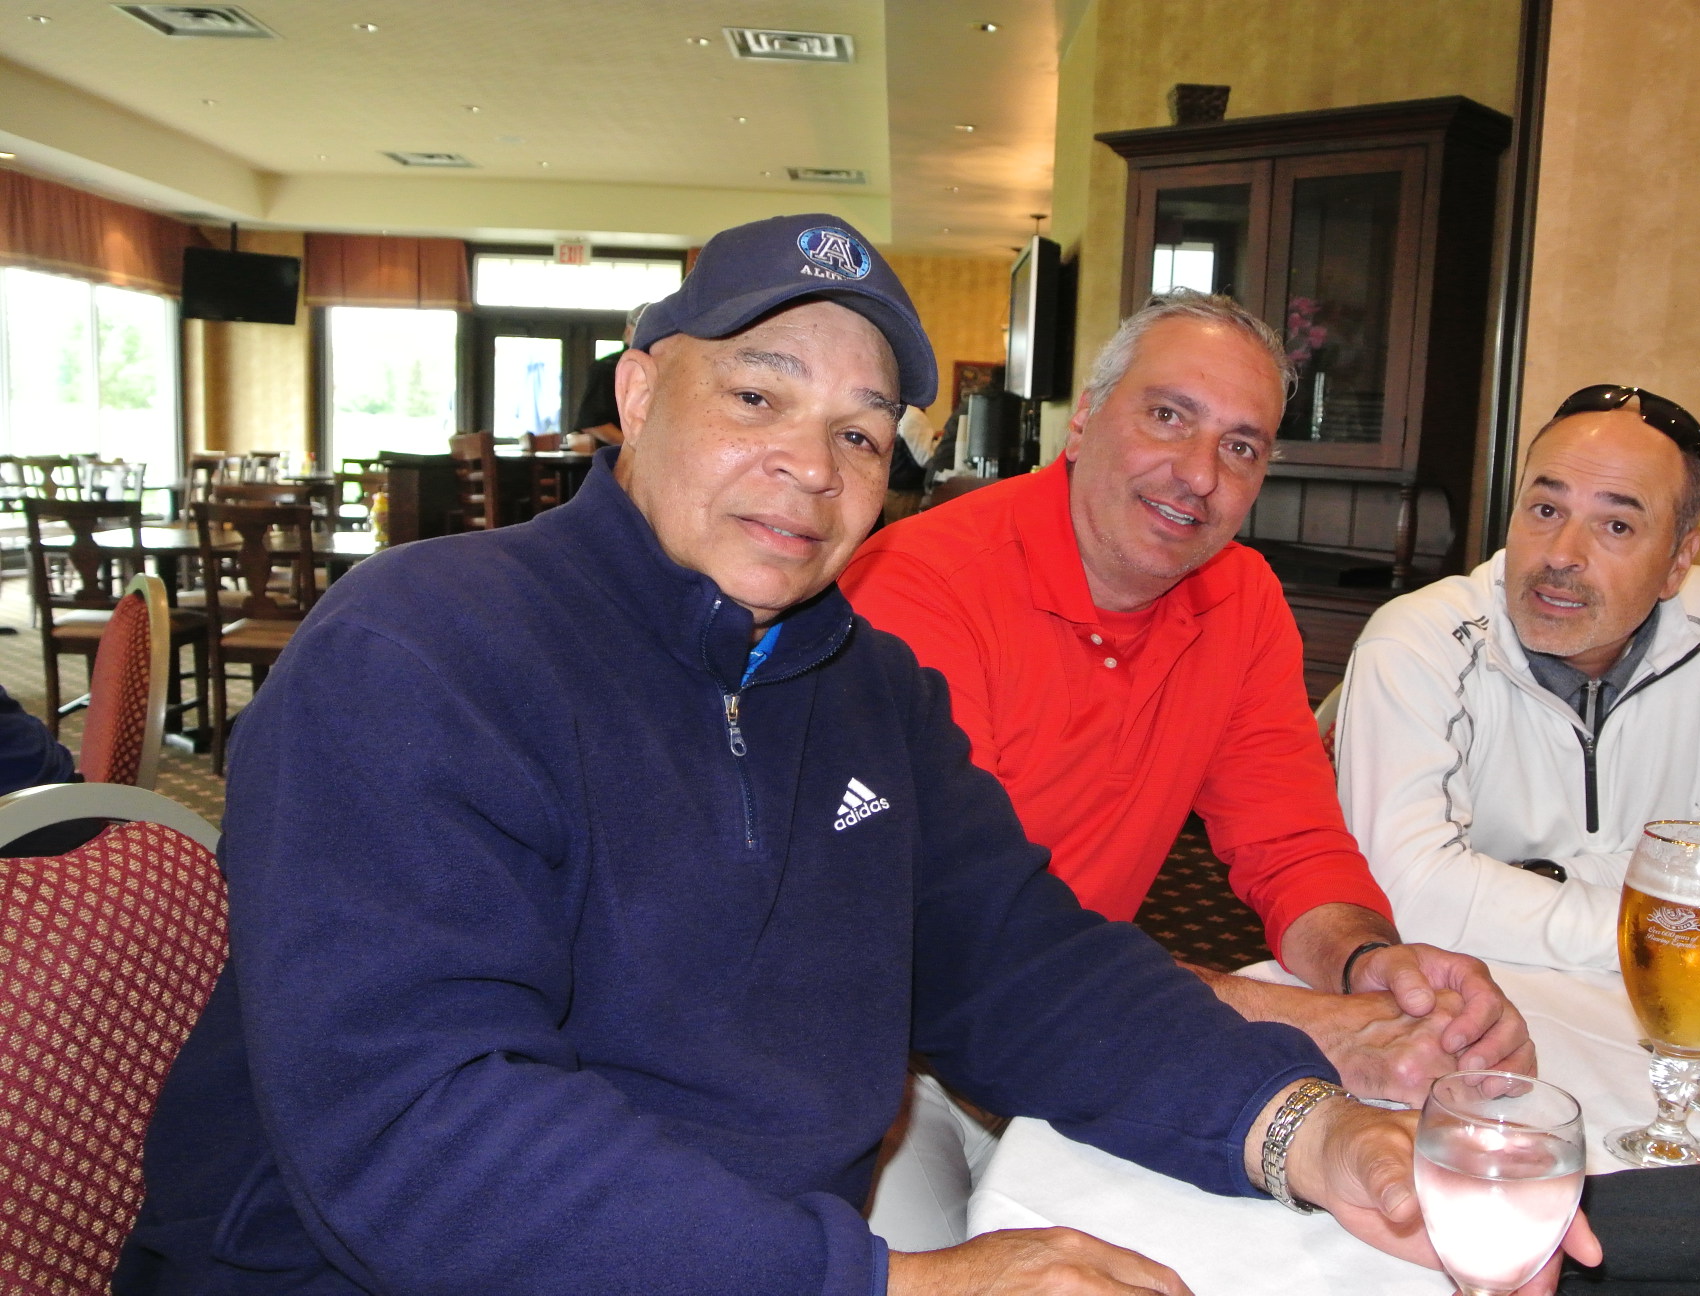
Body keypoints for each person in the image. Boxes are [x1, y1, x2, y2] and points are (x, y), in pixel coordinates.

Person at [117, 216, 1591, 1295]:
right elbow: (424, 1128)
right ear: (639, 393)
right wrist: (885, 1285)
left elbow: (1025, 966)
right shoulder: (425, 646)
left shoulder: (860, 685)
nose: (810, 468)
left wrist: (1309, 1133)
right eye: (758, 396)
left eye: (864, 433)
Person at [843, 292, 1529, 1113]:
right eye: (1169, 416)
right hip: (897, 1054)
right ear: (1085, 418)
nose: (1201, 474)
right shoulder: (918, 588)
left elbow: (1291, 840)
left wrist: (1367, 964)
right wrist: (1315, 1025)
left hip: (1092, 1020)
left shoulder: (1241, 599)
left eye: (1241, 447)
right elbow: (959, 932)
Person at [1333, 384, 1700, 972]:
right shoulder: (1417, 640)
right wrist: (1672, 917)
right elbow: (1409, 894)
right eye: (1547, 510)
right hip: (1472, 991)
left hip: (1662, 995)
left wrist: (1531, 879)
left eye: (1617, 526)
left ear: (1678, 563)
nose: (1561, 555)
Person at [570, 301, 649, 449]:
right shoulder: (607, 368)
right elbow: (594, 424)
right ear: (628, 333)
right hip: (616, 457)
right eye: (643, 328)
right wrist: (638, 450)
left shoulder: (668, 369)